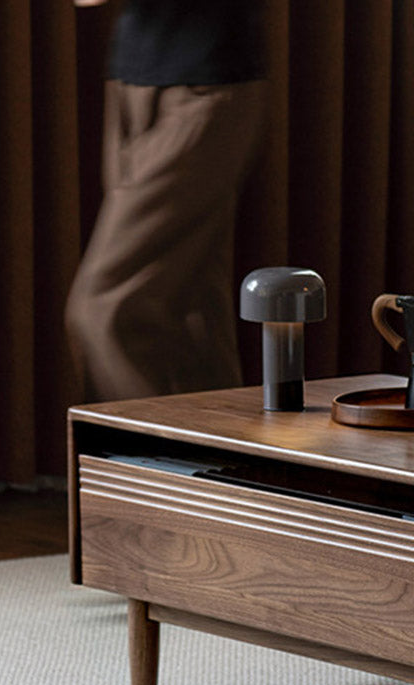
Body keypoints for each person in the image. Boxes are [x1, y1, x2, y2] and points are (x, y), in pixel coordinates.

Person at [67, 0, 268, 401]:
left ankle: (142, 456)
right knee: (193, 310)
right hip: (132, 84)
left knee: (103, 309)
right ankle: (220, 456)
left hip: (206, 88)